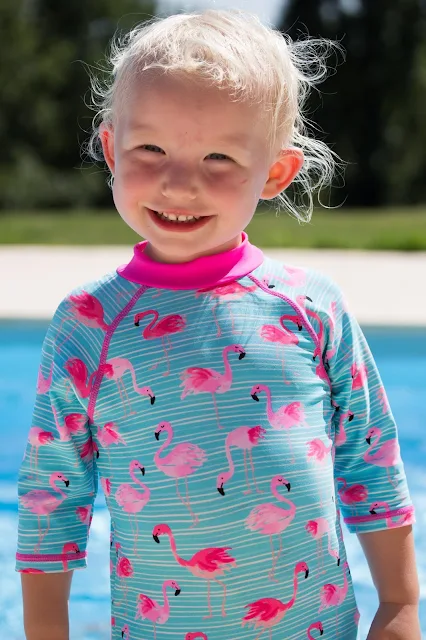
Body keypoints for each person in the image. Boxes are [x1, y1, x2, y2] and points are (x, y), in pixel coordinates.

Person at [16, 9, 420, 640]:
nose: (180, 183)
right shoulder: (88, 324)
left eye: (219, 157)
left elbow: (371, 455)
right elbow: (53, 495)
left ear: (276, 174)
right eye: (150, 148)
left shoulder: (310, 308)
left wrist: (399, 603)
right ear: (110, 149)